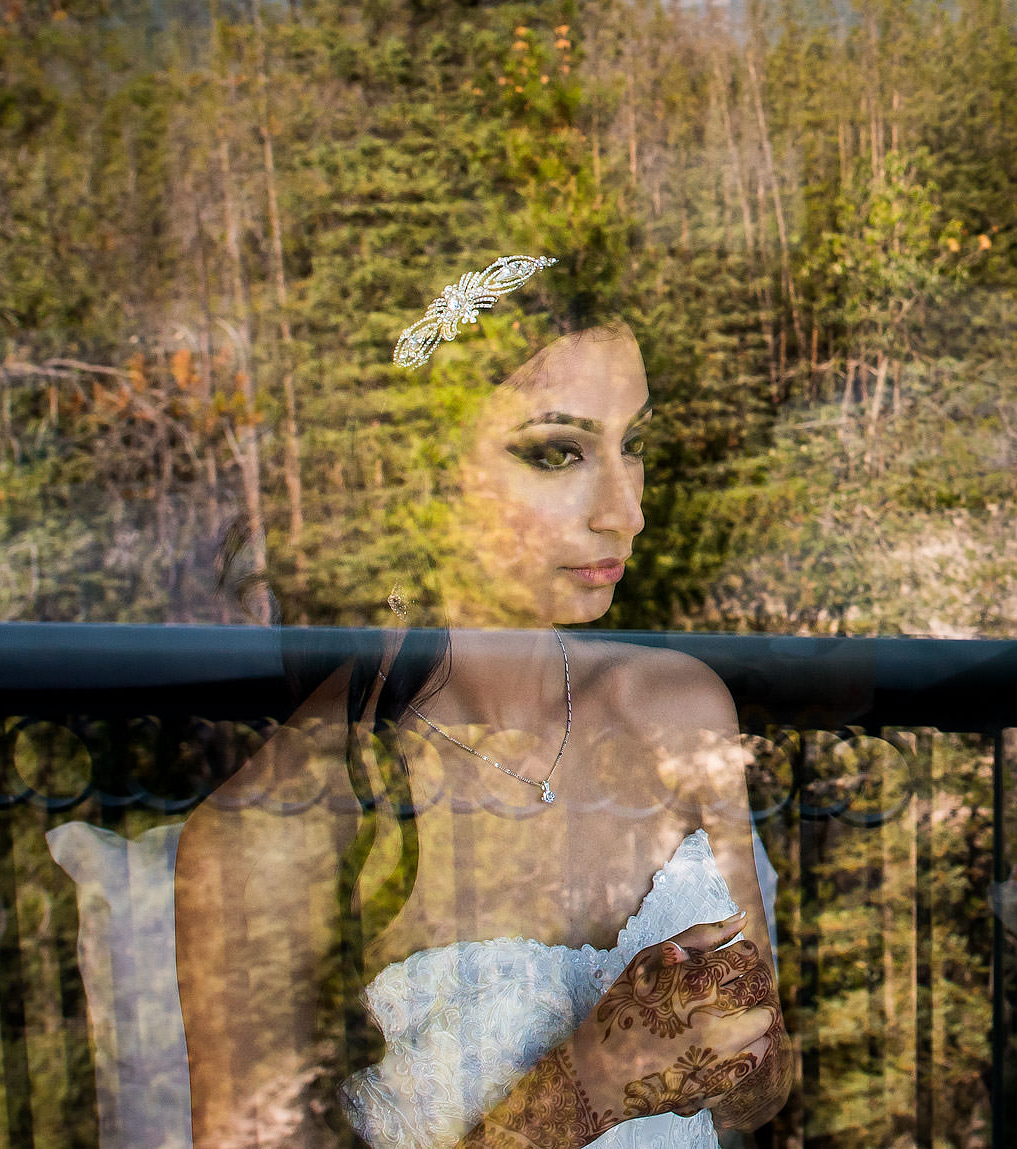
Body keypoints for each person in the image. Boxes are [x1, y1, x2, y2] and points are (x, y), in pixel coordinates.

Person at [175, 260, 791, 1149]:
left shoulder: (678, 708)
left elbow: (760, 1095)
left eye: (635, 444)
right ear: (418, 476)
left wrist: (725, 1042)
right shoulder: (274, 833)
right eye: (557, 452)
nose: (626, 513)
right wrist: (584, 1088)